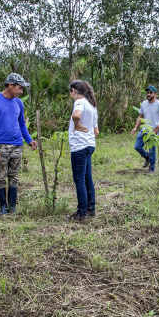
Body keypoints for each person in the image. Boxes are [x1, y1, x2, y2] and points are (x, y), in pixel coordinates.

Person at [0, 73, 38, 215]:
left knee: (14, 176)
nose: (21, 92)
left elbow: (21, 125)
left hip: (17, 145)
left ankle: (12, 206)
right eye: (19, 88)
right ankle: (3, 206)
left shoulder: (19, 103)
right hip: (1, 145)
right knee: (1, 176)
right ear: (10, 86)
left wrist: (29, 140)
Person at [67, 80, 100, 222]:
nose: (71, 95)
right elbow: (96, 131)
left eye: (70, 92)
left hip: (79, 146)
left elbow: (76, 115)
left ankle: (81, 213)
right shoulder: (92, 105)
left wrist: (77, 124)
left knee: (79, 179)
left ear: (74, 90)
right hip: (89, 145)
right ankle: (90, 208)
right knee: (87, 178)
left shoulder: (79, 102)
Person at [130, 85, 159, 172]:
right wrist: (135, 128)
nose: (148, 94)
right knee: (137, 146)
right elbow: (140, 116)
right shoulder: (144, 104)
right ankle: (147, 157)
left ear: (155, 94)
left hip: (154, 132)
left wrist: (158, 127)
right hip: (144, 130)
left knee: (152, 151)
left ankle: (151, 169)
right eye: (147, 93)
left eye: (150, 93)